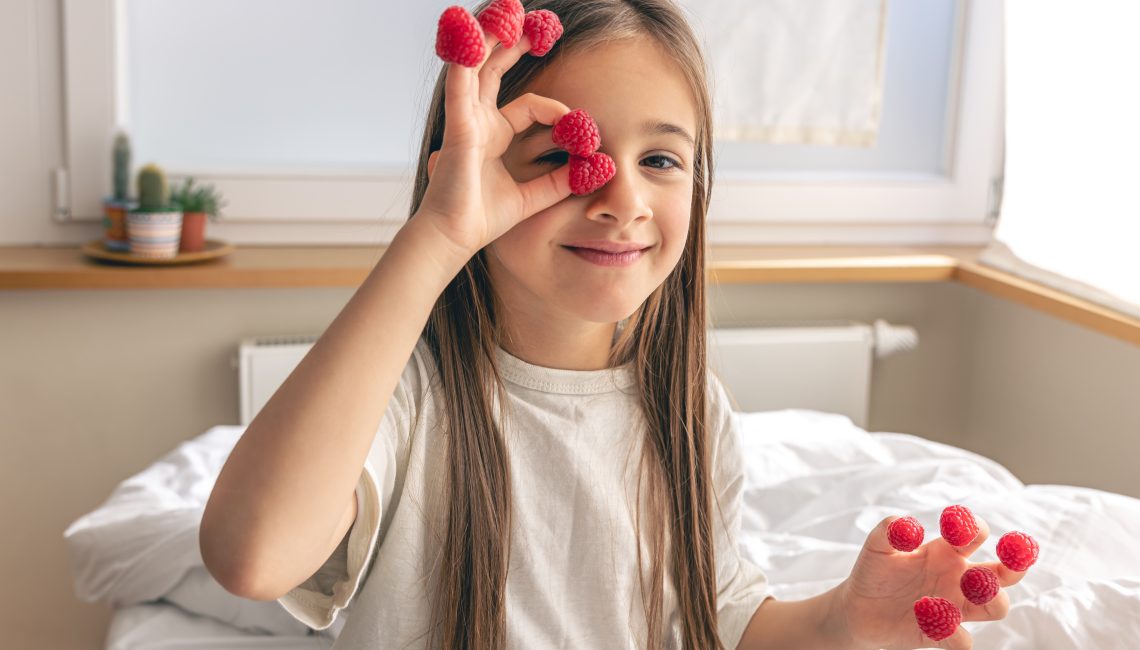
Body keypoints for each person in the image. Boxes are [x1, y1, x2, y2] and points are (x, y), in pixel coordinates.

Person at [200, 1, 1025, 648]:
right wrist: (438, 236)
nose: (622, 198)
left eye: (661, 159)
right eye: (559, 153)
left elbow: (720, 620)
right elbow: (252, 556)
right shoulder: (409, 397)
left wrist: (846, 621)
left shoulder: (690, 408)